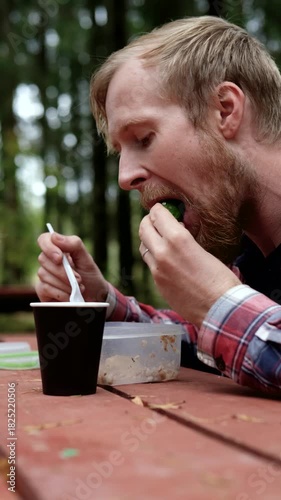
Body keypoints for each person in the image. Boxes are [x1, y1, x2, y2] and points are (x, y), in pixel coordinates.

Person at [36, 16, 281, 394]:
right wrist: (102, 301)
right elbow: (201, 339)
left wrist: (220, 302)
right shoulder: (253, 257)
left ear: (225, 110)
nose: (124, 177)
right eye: (120, 151)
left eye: (143, 137)